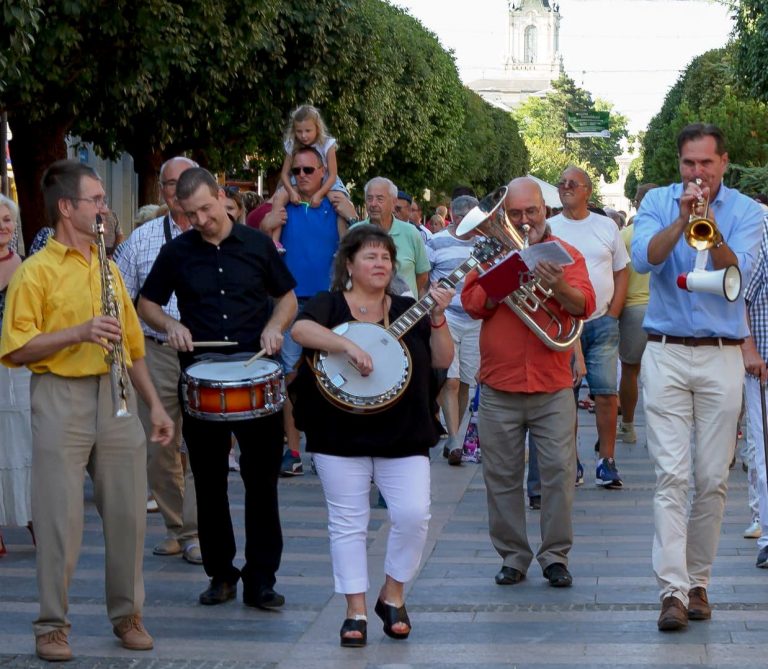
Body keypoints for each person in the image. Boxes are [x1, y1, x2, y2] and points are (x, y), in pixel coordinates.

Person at [0, 160, 174, 661]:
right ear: (66, 208)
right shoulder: (34, 272)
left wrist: (155, 407)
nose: (103, 208)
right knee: (58, 517)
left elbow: (135, 347)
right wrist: (78, 332)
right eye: (95, 200)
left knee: (127, 513)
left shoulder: (109, 267)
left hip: (115, 392)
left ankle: (129, 615)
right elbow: (18, 346)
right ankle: (52, 626)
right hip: (59, 393)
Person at [138, 167, 298, 610]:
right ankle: (221, 574)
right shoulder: (178, 252)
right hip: (201, 376)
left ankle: (261, 578)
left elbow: (287, 297)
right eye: (190, 214)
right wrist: (170, 324)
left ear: (220, 197)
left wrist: (274, 326)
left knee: (261, 480)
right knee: (208, 481)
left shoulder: (257, 245)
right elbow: (147, 303)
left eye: (206, 209)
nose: (200, 220)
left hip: (255, 370)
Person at [289, 224, 454, 647]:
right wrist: (347, 347)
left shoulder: (406, 308)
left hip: (404, 431)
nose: (380, 263)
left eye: (385, 257)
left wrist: (436, 317)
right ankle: (355, 610)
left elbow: (443, 358)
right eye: (370, 256)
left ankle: (392, 593)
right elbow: (301, 332)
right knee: (348, 523)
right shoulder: (329, 305)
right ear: (349, 264)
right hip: (338, 432)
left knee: (414, 515)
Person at [631, 122, 763, 631]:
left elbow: (742, 275)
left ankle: (699, 580)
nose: (697, 173)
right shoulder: (660, 202)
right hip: (665, 349)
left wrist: (713, 226)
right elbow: (645, 258)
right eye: (689, 163)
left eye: (706, 163)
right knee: (671, 476)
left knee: (711, 479)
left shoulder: (748, 212)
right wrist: (682, 219)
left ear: (723, 162)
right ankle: (673, 591)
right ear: (679, 163)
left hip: (721, 353)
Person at [462, 178, 595, 589]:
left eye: (530, 212)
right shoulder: (488, 257)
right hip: (500, 386)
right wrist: (504, 280)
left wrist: (556, 284)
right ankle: (513, 557)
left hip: (551, 385)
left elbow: (584, 306)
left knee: (558, 473)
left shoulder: (566, 255)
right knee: (500, 477)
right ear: (504, 215)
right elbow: (472, 305)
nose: (523, 221)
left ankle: (555, 556)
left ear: (545, 211)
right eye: (515, 214)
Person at [116, 156, 201, 564]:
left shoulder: (219, 234)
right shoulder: (143, 239)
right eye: (170, 184)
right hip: (157, 351)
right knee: (161, 445)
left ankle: (197, 530)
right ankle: (177, 527)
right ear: (163, 191)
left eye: (186, 182)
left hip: (207, 354)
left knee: (203, 444)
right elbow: (118, 297)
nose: (179, 191)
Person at [261, 146, 352, 477]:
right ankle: (294, 448)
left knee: (335, 374)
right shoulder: (284, 205)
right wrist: (267, 225)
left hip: (329, 302)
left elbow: (352, 248)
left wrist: (353, 215)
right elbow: (263, 249)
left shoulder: (337, 204)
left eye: (309, 170)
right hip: (291, 301)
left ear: (323, 173)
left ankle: (331, 442)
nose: (301, 176)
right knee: (288, 374)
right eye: (296, 171)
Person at [549, 166, 630, 487]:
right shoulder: (550, 227)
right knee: (565, 395)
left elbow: (621, 270)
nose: (566, 187)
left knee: (607, 393)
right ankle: (573, 462)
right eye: (562, 182)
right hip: (564, 325)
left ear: (587, 191)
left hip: (602, 321)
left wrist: (614, 310)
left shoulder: (606, 226)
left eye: (573, 183)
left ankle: (606, 460)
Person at [426, 194, 481, 465]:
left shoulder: (483, 243)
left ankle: (454, 436)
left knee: (466, 383)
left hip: (475, 320)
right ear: (456, 218)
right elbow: (425, 279)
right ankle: (456, 442)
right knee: (451, 379)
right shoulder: (435, 242)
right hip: (446, 317)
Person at [0, 195, 33, 556]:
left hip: (20, 364)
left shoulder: (27, 267)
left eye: (7, 220)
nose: (2, 227)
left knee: (27, 439)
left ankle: (34, 516)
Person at [272, 104, 352, 244]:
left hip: (327, 179)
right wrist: (291, 191)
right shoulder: (292, 144)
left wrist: (320, 193)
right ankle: (275, 241)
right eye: (299, 131)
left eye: (308, 131)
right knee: (279, 198)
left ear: (317, 128)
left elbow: (332, 175)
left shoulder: (327, 144)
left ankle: (343, 241)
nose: (303, 136)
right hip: (299, 179)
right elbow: (285, 174)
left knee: (339, 201)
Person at [616, 183, 657, 445]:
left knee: (630, 372)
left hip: (632, 308)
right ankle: (659, 431)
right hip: (663, 310)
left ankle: (628, 426)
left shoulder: (625, 235)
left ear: (637, 203)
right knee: (661, 375)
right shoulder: (668, 234)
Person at [354, 177, 430, 297]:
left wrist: (404, 299)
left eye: (380, 199)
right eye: (369, 198)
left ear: (393, 202)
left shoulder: (411, 233)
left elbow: (422, 274)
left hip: (405, 313)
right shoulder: (354, 232)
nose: (373, 204)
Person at [743, 213, 768, 565]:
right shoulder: (764, 238)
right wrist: (750, 349)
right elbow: (741, 298)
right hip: (764, 366)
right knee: (764, 455)